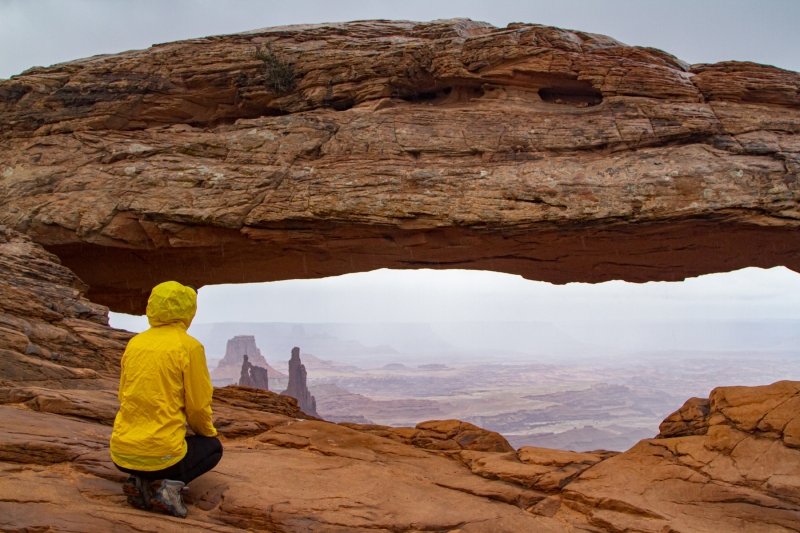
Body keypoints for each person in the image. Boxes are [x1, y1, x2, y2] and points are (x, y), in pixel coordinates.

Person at [109, 281, 222, 518]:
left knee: (159, 447)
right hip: (162, 457)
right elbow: (198, 407)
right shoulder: (188, 347)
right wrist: (206, 432)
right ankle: (169, 489)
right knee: (212, 448)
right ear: (188, 309)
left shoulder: (135, 343)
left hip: (121, 454)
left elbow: (124, 395)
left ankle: (139, 481)